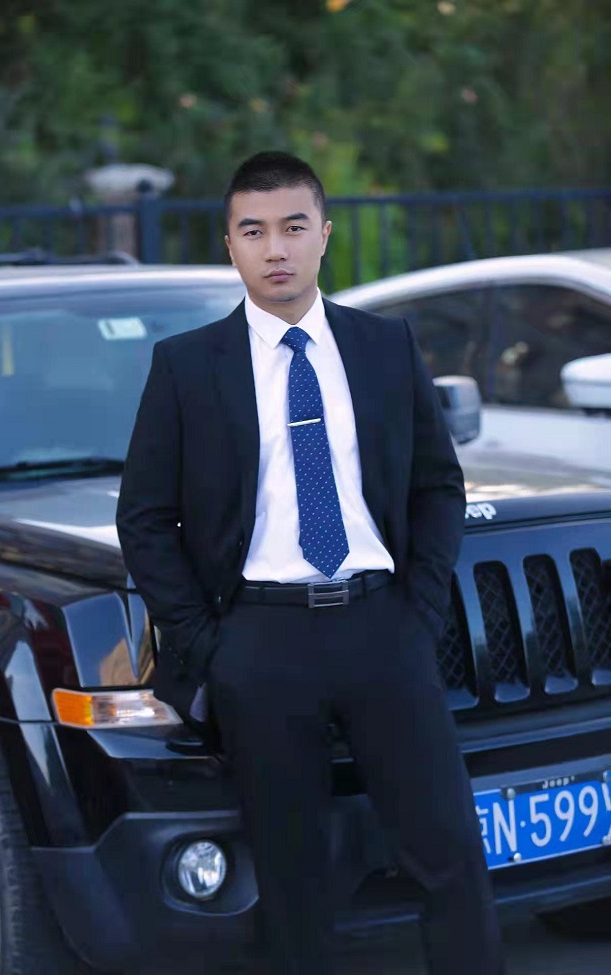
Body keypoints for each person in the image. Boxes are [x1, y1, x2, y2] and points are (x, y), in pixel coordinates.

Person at [116, 151, 503, 975]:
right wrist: (210, 646)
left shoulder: (384, 345)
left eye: (293, 227)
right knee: (293, 877)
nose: (276, 248)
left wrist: (418, 610)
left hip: (383, 629)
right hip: (262, 642)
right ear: (230, 244)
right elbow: (144, 519)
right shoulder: (187, 365)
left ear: (324, 234)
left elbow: (438, 485)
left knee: (448, 852)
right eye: (254, 231)